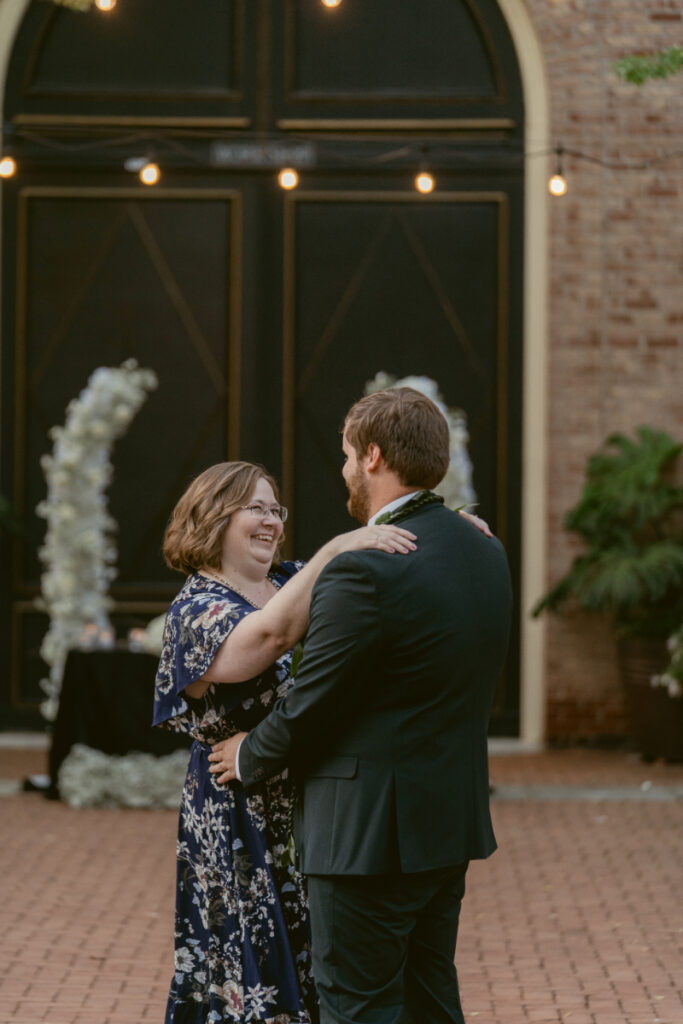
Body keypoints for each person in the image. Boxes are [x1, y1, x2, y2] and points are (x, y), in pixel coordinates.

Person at [209, 388, 513, 1024]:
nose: (344, 470)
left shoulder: (364, 568)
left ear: (373, 456)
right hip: (446, 823)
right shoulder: (485, 550)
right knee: (431, 1002)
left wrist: (250, 755)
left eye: (348, 455)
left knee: (358, 1007)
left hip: (364, 838)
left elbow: (315, 700)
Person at [153, 460, 418, 1024]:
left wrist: (453, 531)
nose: (271, 520)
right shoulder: (193, 612)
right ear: (212, 517)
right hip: (239, 818)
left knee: (326, 964)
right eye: (256, 507)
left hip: (313, 804)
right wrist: (338, 548)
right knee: (253, 970)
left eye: (276, 508)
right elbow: (267, 637)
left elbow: (388, 577)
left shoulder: (292, 577)